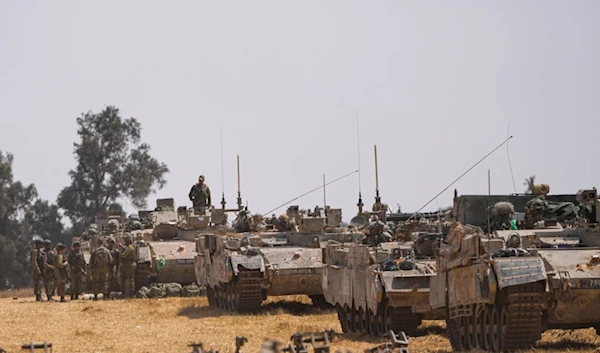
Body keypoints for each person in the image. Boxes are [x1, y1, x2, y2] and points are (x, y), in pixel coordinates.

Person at [119, 234, 137, 298]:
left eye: (125, 240)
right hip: (127, 265)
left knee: (130, 280)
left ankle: (131, 294)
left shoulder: (130, 247)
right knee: (125, 279)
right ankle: (125, 293)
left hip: (130, 265)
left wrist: (119, 253)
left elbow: (124, 255)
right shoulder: (129, 247)